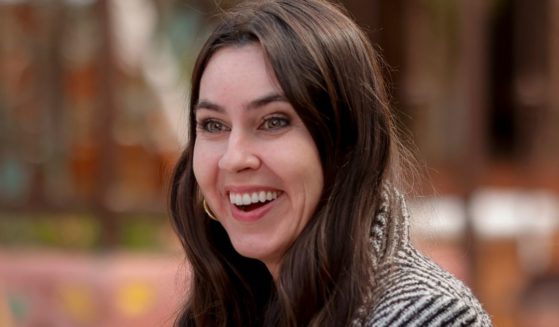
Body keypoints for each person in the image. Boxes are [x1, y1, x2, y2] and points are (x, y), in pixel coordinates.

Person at [169, 0, 493, 326]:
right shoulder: (233, 305)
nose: (234, 158)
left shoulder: (428, 317)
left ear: (346, 141)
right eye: (213, 125)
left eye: (273, 121)